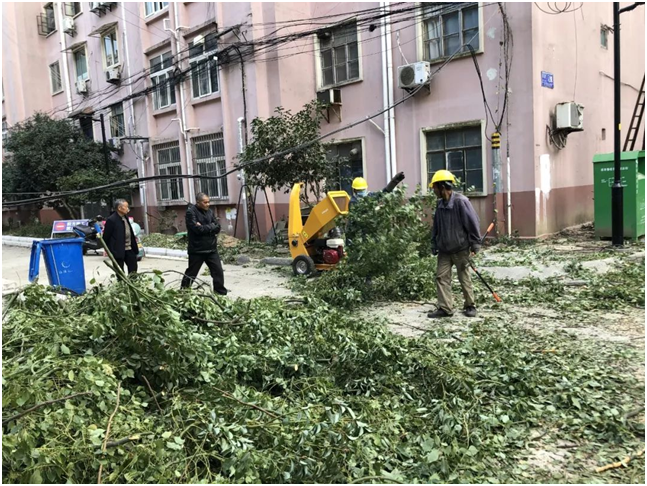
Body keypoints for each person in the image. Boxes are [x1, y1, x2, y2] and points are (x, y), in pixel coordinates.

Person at [428, 170, 482, 319]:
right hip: (444, 250)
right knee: (441, 277)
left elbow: (473, 223)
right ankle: (445, 308)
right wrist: (434, 242)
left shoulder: (461, 201)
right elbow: (436, 226)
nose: (433, 191)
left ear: (442, 186)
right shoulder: (440, 204)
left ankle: (470, 306)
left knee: (464, 276)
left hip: (460, 249)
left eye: (434, 188)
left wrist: (475, 244)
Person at [180, 192, 227, 295]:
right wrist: (211, 226)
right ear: (198, 202)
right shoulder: (191, 213)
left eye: (208, 202)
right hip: (197, 249)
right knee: (191, 273)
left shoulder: (210, 212)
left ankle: (220, 293)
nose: (208, 204)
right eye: (205, 202)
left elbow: (217, 227)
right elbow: (197, 230)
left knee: (218, 272)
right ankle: (183, 292)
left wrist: (206, 227)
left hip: (211, 248)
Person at [102, 199, 138, 274]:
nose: (128, 209)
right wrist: (109, 250)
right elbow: (106, 237)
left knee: (133, 268)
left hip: (129, 248)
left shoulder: (125, 217)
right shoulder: (111, 220)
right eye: (126, 207)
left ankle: (133, 283)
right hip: (118, 250)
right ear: (119, 208)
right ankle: (122, 284)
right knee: (120, 272)